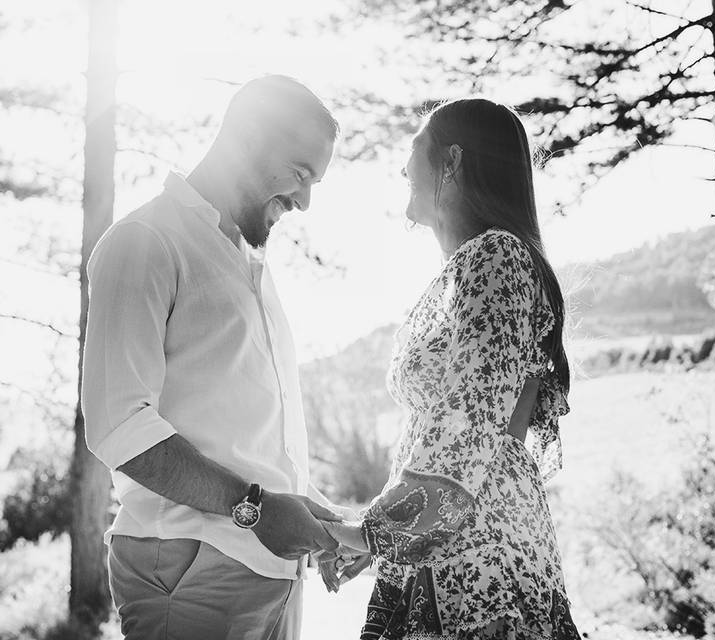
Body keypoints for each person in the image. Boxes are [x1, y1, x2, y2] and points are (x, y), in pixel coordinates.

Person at [81, 75, 349, 640]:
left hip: (268, 570)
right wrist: (255, 507)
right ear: (245, 139)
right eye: (300, 173)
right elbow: (118, 425)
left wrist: (310, 512)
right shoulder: (145, 241)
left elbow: (243, 437)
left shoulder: (248, 262)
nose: (304, 200)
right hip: (190, 571)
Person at [319, 99, 582, 640]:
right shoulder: (478, 265)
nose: (402, 169)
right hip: (457, 543)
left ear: (452, 162)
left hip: (478, 560)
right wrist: (386, 542)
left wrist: (374, 533)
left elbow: (471, 420)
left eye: (415, 149)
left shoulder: (497, 257)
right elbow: (454, 423)